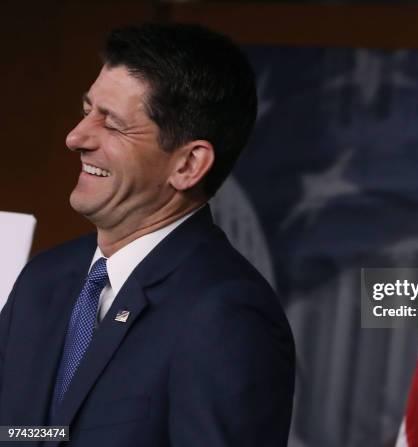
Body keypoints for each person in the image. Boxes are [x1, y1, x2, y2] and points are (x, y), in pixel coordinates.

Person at [0, 23, 295, 446]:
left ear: (188, 165)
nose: (75, 137)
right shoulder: (43, 279)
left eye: (113, 124)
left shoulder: (226, 315)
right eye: (87, 110)